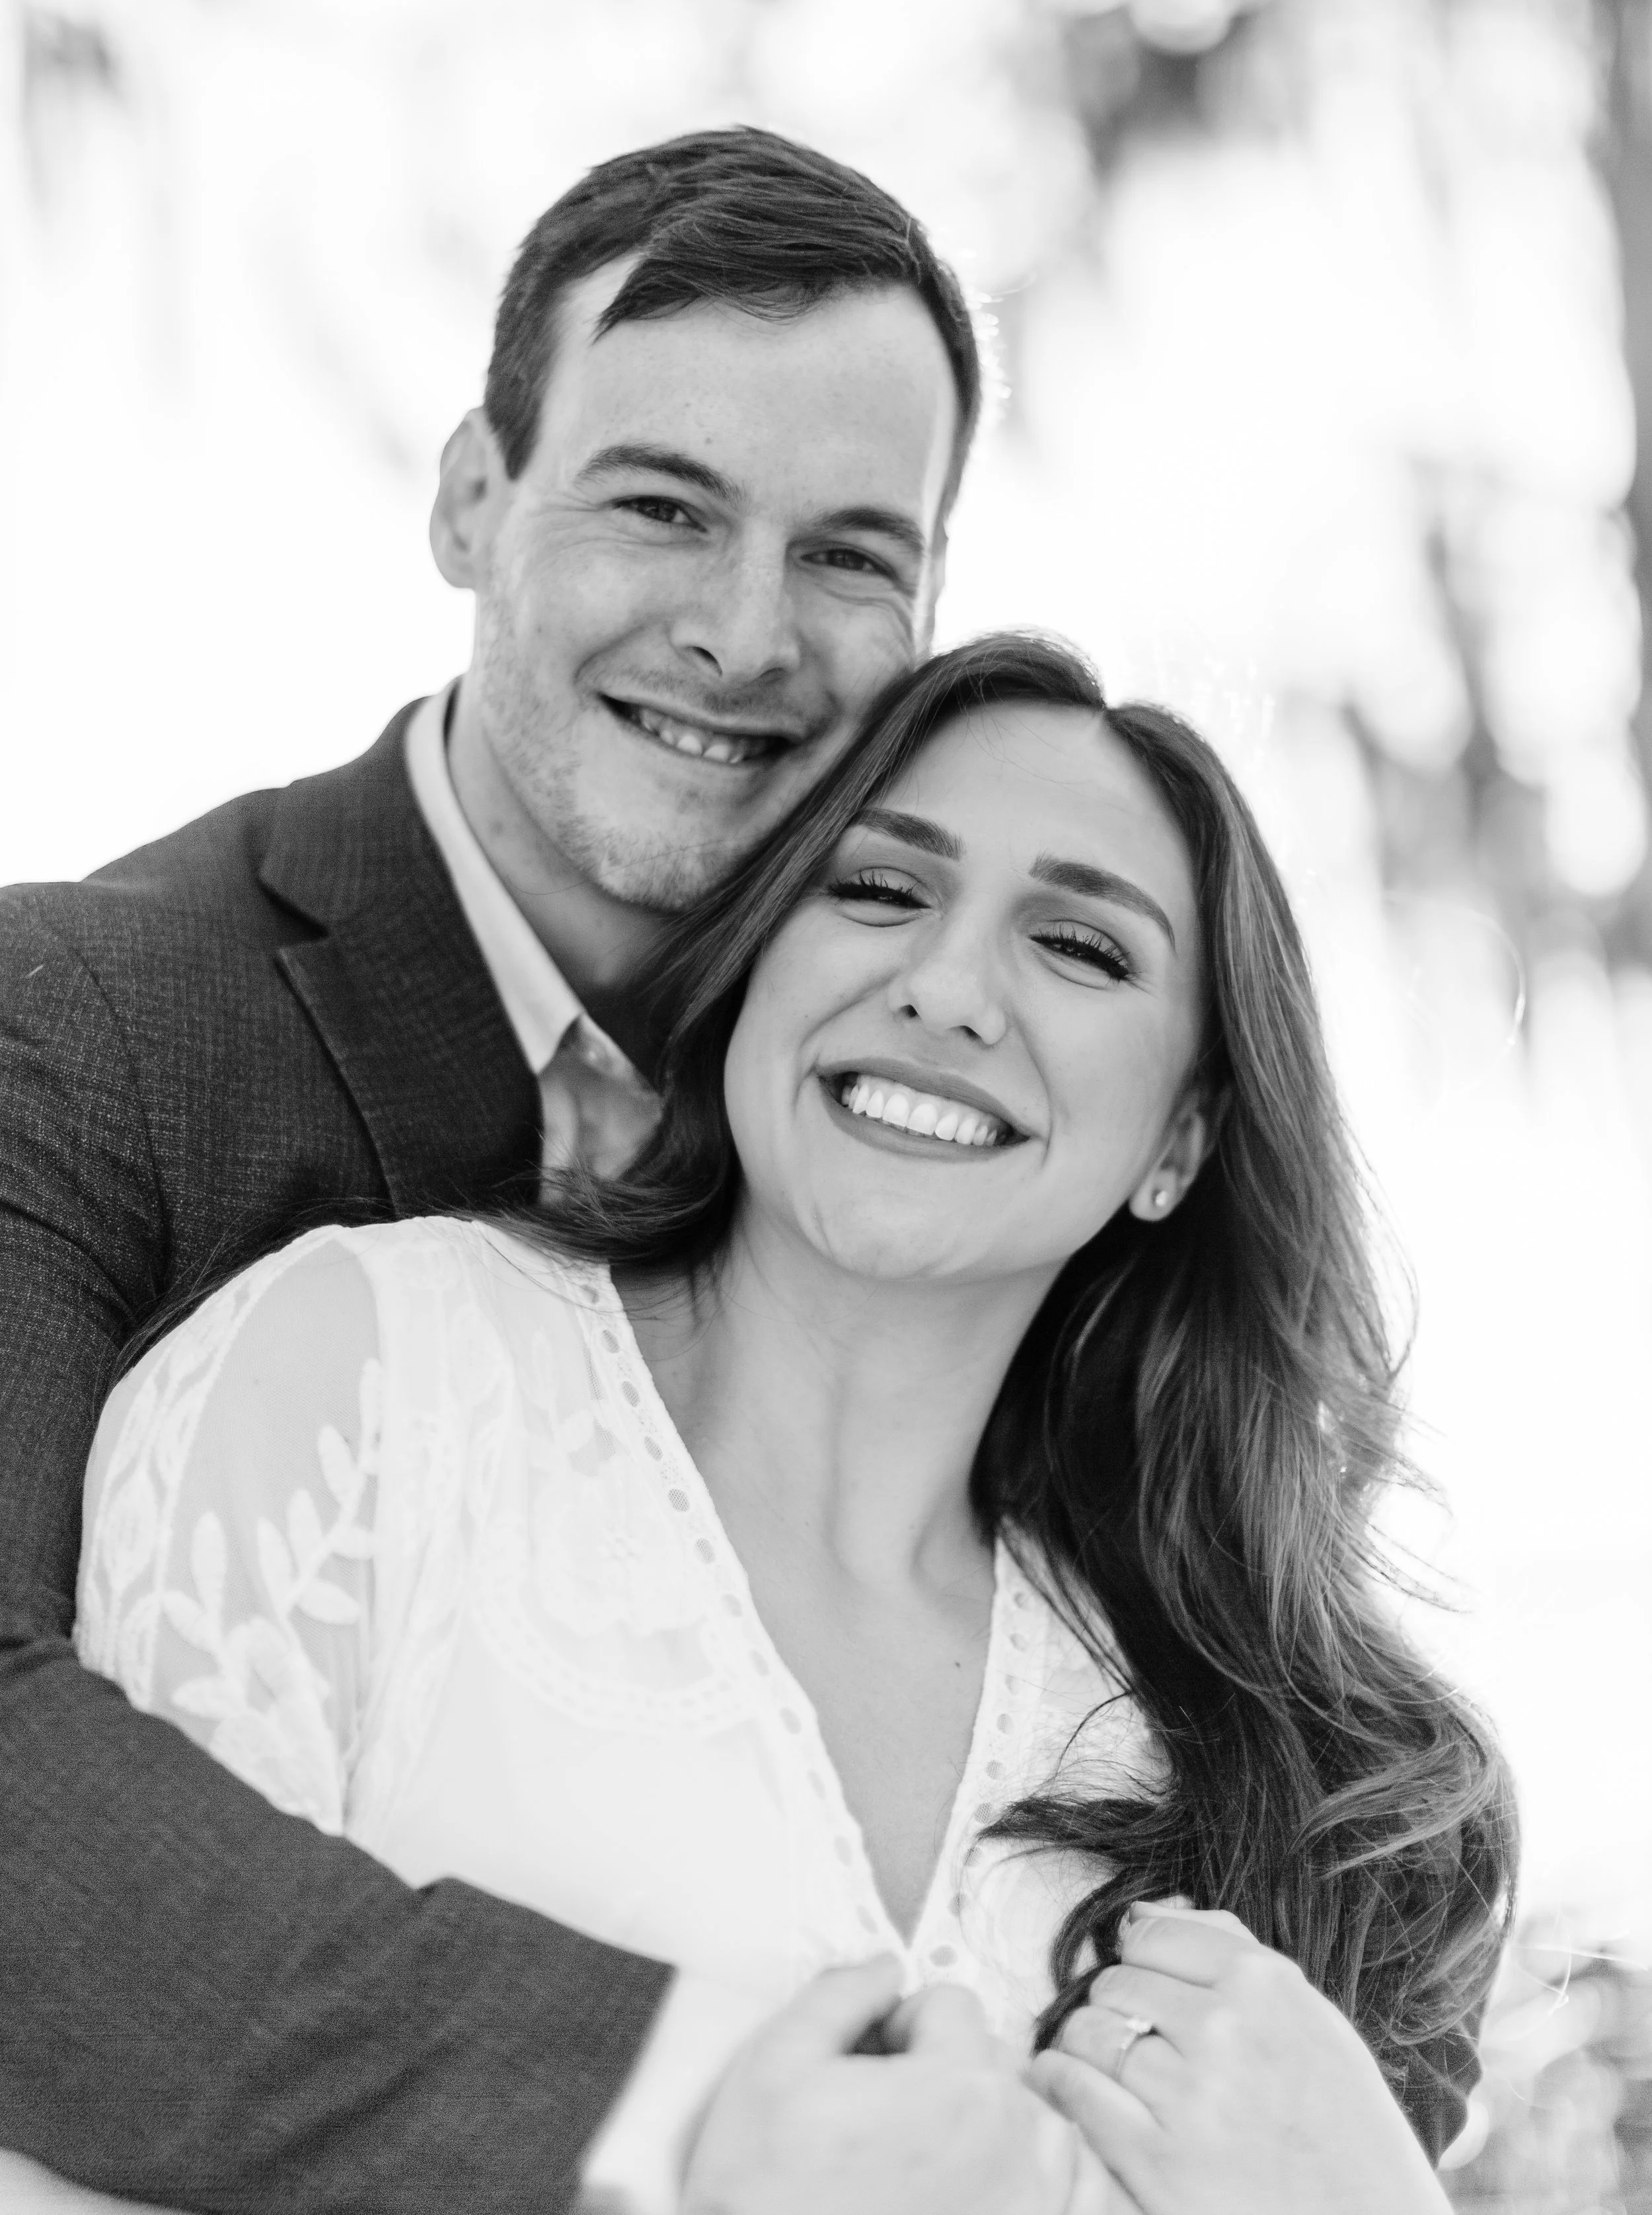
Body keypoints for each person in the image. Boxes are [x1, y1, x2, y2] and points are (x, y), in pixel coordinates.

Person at [75, 635, 1515, 2215]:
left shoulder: (1256, 1771)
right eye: (881, 891)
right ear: (754, 965)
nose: (947, 989)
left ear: (1176, 1143)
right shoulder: (358, 1379)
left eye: (1082, 949)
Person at [0, 126, 1020, 2214]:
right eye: (663, 507)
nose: (746, 636)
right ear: (474, 495)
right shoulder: (78, 1024)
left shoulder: (941, 1137)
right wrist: (676, 2103)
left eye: (848, 554)